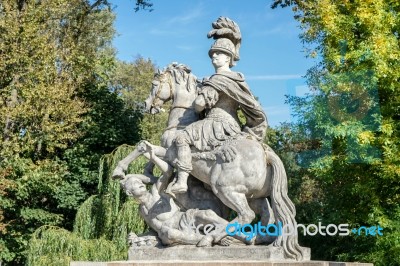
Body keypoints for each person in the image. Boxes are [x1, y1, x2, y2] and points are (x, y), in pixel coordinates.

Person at [168, 37, 268, 194]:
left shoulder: (218, 80)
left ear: (228, 58)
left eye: (218, 53)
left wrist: (199, 99)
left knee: (181, 138)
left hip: (217, 123)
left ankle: (181, 181)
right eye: (213, 54)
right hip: (233, 125)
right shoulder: (238, 80)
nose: (214, 56)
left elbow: (200, 104)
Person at [119, 143, 231, 247]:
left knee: (207, 214)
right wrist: (138, 237)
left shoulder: (155, 191)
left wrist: (154, 158)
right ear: (129, 192)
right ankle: (212, 238)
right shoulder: (142, 210)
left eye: (138, 181)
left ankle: (240, 231)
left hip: (184, 219)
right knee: (170, 233)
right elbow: (156, 230)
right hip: (170, 234)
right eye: (134, 183)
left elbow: (167, 172)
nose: (139, 183)